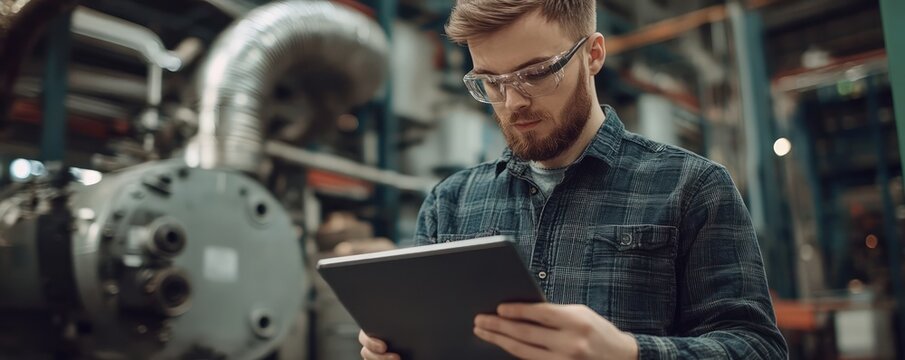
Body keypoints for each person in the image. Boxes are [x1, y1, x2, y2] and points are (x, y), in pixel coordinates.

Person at [359, 0, 788, 358]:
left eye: (537, 72)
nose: (512, 101)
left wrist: (627, 353)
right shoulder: (448, 203)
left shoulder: (693, 187)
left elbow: (757, 347)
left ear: (593, 54)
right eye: (490, 81)